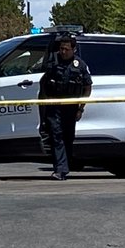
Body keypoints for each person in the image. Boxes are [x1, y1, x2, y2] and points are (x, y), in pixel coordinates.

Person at [38, 33, 93, 180]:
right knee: (57, 136)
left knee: (68, 137)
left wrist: (81, 108)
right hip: (54, 105)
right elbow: (43, 84)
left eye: (67, 49)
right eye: (62, 48)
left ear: (73, 50)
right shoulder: (52, 63)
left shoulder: (80, 65)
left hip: (71, 106)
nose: (63, 52)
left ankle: (65, 166)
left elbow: (87, 87)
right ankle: (60, 170)